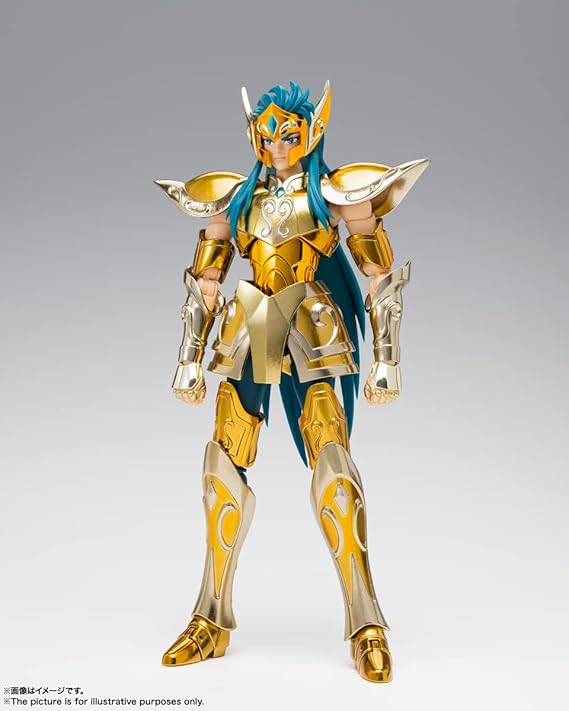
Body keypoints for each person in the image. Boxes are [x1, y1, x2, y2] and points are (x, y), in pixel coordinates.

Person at [155, 80, 428, 683]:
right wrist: (189, 356)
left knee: (333, 463)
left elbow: (380, 277)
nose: (277, 146)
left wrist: (387, 358)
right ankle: (211, 616)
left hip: (312, 322)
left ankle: (365, 620)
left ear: (313, 132)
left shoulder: (334, 194)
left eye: (289, 134)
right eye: (267, 134)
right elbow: (206, 281)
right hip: (252, 324)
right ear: (253, 135)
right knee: (221, 466)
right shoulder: (237, 197)